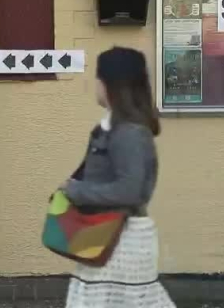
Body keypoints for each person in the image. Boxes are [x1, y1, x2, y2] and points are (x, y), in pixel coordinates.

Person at [59, 47, 176, 308]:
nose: (95, 85)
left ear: (110, 84)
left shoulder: (129, 133)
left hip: (118, 241)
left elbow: (130, 190)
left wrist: (75, 191)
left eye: (98, 78)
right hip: (106, 237)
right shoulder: (114, 128)